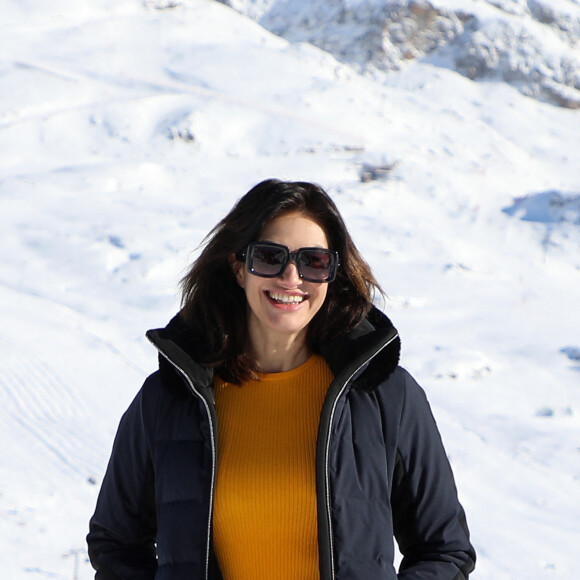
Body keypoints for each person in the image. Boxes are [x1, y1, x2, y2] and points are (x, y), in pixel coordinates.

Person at [87, 179, 476, 580]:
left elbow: (443, 550)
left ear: (333, 273)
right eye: (270, 257)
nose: (291, 277)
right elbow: (116, 542)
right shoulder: (172, 398)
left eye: (314, 261)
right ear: (239, 268)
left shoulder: (385, 396)